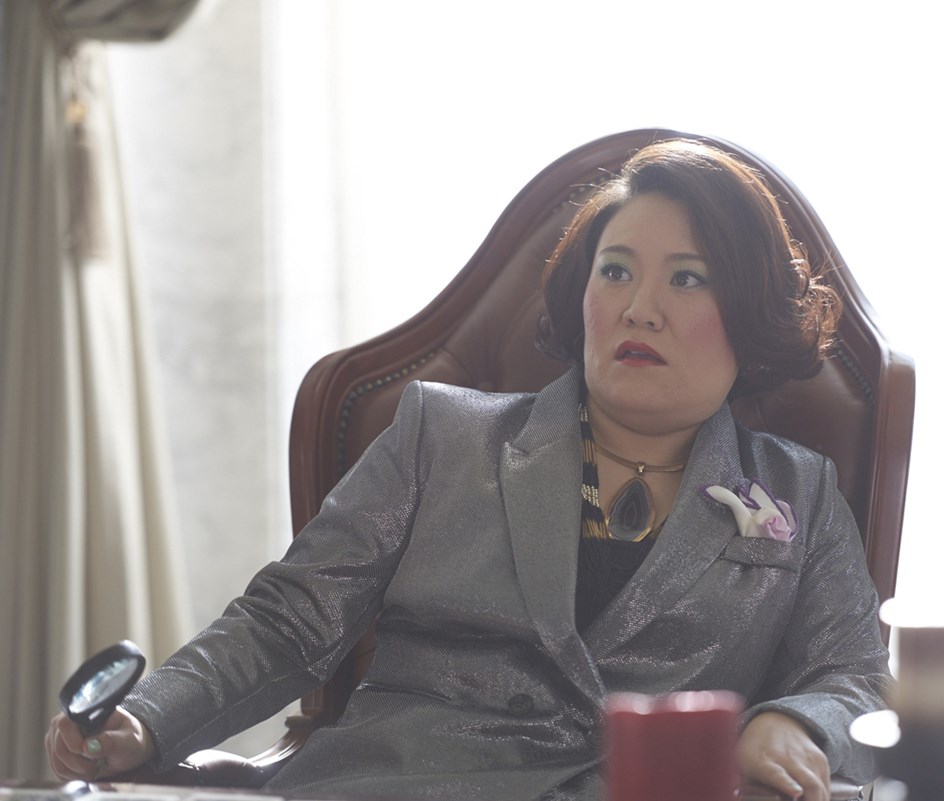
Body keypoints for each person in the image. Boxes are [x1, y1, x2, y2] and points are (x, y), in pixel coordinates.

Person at [46, 139, 890, 801]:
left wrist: (799, 725)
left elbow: (854, 678)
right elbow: (288, 622)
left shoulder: (799, 493)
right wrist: (146, 720)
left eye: (688, 279)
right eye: (616, 271)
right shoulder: (442, 436)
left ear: (748, 314)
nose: (640, 307)